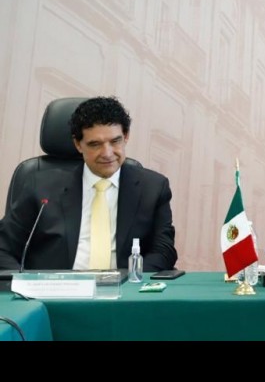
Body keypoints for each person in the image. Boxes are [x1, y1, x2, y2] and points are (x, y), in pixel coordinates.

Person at [0, 96, 178, 271]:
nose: (107, 153)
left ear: (126, 136)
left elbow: (164, 252)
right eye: (95, 144)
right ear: (78, 144)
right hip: (57, 287)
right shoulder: (40, 187)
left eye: (115, 141)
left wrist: (130, 279)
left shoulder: (153, 188)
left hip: (123, 286)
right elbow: (3, 247)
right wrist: (25, 283)